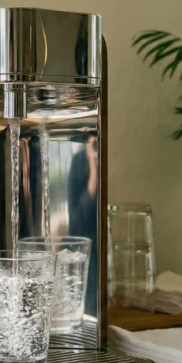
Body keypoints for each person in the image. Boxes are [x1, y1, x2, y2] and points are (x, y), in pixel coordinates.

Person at [67, 135, 99, 316]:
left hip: (96, 233)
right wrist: (92, 164)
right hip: (82, 233)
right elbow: (80, 210)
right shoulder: (79, 161)